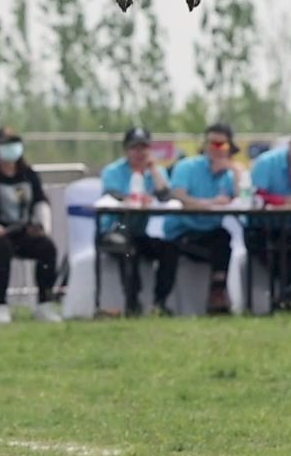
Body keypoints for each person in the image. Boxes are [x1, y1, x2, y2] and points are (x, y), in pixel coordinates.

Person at [0, 128, 62, 324]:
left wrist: (42, 226)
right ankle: (0, 305)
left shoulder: (28, 174)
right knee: (1, 249)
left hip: (19, 233)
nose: (11, 150)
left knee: (47, 248)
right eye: (5, 145)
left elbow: (41, 202)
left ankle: (44, 304)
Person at [96, 126, 178, 316]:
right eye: (135, 148)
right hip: (114, 231)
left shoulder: (155, 172)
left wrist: (154, 171)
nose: (140, 153)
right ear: (126, 150)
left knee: (169, 249)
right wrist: (130, 199)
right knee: (127, 249)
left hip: (139, 233)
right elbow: (111, 193)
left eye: (144, 148)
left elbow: (165, 196)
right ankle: (132, 303)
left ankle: (160, 302)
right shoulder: (113, 171)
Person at [162, 123, 240, 316]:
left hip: (210, 233)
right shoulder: (187, 166)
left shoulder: (228, 174)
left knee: (224, 238)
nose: (216, 149)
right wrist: (209, 203)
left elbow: (241, 199)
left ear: (229, 147)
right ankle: (161, 303)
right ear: (204, 145)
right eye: (212, 144)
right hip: (182, 230)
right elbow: (178, 195)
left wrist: (237, 173)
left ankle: (217, 294)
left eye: (221, 145)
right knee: (217, 241)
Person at [245, 127, 291, 311]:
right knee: (277, 253)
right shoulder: (266, 162)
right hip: (260, 228)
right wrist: (284, 201)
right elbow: (257, 195)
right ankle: (290, 293)